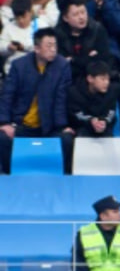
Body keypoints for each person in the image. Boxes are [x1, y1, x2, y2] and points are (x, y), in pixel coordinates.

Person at [0, 27, 70, 171]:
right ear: (37, 48)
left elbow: (61, 99)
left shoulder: (62, 66)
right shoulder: (19, 66)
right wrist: (5, 122)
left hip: (49, 126)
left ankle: (64, 178)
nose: (53, 49)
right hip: (22, 124)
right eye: (48, 46)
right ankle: (8, 176)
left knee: (67, 139)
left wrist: (62, 126)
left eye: (55, 45)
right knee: (2, 137)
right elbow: (7, 95)